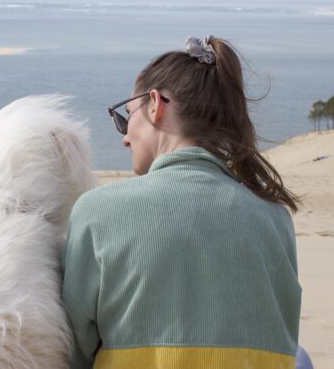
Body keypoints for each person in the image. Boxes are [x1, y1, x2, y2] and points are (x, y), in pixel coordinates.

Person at [61, 36, 302, 368]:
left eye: (125, 117)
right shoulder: (275, 216)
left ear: (156, 104)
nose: (125, 138)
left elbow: (71, 349)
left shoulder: (98, 210)